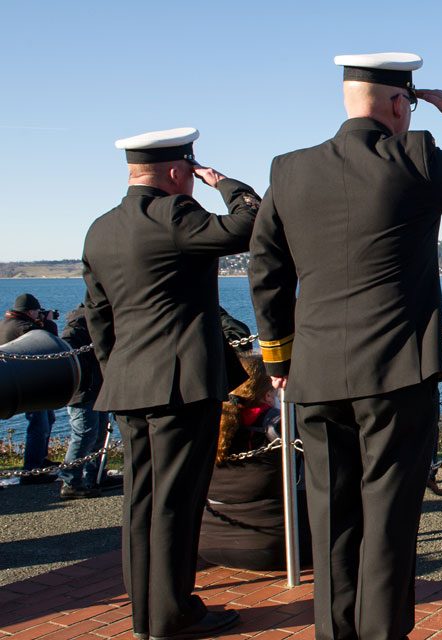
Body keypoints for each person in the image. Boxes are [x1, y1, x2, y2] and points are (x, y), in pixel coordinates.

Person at [248, 52, 442, 640]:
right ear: (400, 104)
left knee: (330, 522)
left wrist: (280, 358)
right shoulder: (413, 157)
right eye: (412, 104)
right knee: (389, 527)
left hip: (316, 374)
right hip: (397, 373)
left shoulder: (288, 170)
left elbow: (265, 269)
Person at [83, 127, 260, 638]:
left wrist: (119, 370)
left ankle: (147, 611)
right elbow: (251, 222)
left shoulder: (100, 228)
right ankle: (173, 614)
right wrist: (224, 182)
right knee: (177, 503)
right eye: (192, 173)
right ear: (180, 172)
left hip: (129, 384)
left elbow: (99, 316)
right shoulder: (177, 215)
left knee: (142, 500)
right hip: (181, 384)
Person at [199, 354, 312, 571]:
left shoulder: (210, 425)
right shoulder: (280, 426)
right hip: (276, 546)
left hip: (208, 543)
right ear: (269, 392)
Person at [1, 293, 59, 482]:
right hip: (30, 386)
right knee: (39, 425)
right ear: (30, 311)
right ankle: (32, 469)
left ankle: (40, 461)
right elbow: (50, 343)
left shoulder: (7, 325)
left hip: (18, 383)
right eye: (37, 311)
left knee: (47, 419)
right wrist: (48, 322)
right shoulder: (26, 328)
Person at [58, 304, 109, 499]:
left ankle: (93, 476)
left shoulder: (91, 323)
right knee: (84, 435)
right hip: (83, 391)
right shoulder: (76, 328)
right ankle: (70, 481)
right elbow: (67, 349)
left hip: (97, 388)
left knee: (99, 433)